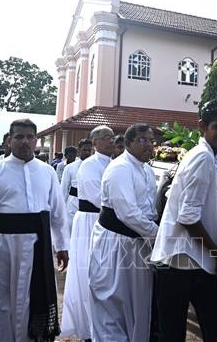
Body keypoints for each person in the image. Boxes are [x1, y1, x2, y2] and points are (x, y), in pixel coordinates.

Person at [0, 118, 69, 342]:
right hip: (2, 245)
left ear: (36, 141)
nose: (25, 141)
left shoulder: (47, 172)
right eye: (19, 137)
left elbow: (58, 213)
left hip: (37, 247)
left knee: (31, 300)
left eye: (30, 137)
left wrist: (62, 246)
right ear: (9, 142)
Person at [151, 100, 217, 342]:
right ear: (202, 127)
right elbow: (188, 217)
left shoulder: (207, 155)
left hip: (193, 259)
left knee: (211, 327)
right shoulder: (202, 158)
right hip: (182, 260)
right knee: (179, 331)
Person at [88, 123, 159, 342]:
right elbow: (128, 213)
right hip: (116, 243)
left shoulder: (146, 169)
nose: (148, 145)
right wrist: (159, 235)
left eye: (151, 141)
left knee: (137, 302)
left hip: (139, 242)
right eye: (142, 140)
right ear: (128, 144)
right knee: (113, 300)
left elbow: (149, 208)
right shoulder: (120, 168)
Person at [61, 126, 115, 342]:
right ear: (95, 143)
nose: (111, 141)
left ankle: (104, 324)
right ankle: (88, 327)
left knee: (106, 273)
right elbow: (98, 197)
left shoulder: (113, 164)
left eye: (112, 137)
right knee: (87, 273)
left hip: (107, 222)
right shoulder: (89, 166)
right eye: (106, 138)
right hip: (91, 222)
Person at [60, 140, 94, 234]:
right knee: (71, 231)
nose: (87, 152)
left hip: (91, 205)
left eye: (89, 150)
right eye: (84, 150)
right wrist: (61, 208)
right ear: (79, 150)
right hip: (73, 204)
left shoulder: (96, 166)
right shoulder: (70, 167)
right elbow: (64, 189)